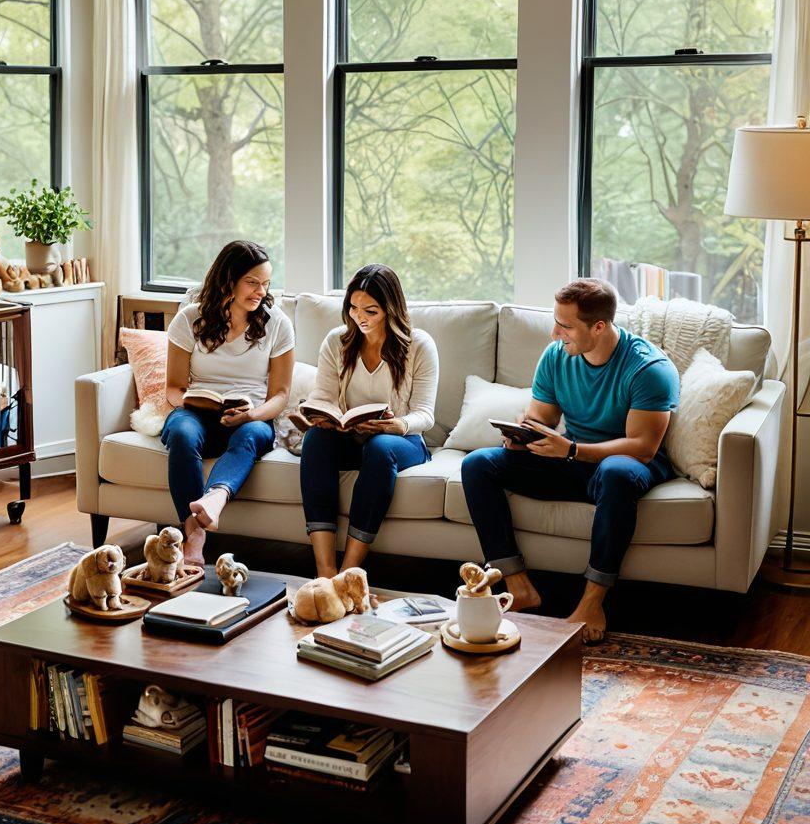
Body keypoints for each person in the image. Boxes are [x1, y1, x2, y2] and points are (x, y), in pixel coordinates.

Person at [459, 278, 679, 643]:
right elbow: (542, 417)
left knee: (615, 473)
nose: (554, 333)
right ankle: (519, 587)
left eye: (565, 326)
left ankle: (592, 603)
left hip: (626, 464)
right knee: (478, 464)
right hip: (570, 459)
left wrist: (573, 450)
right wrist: (524, 435)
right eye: (555, 322)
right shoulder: (556, 356)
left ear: (599, 327)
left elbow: (643, 447)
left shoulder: (648, 368)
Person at [299, 264, 438, 577]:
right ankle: (325, 571)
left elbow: (425, 414)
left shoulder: (419, 345)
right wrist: (322, 415)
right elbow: (323, 396)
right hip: (351, 437)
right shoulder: (337, 341)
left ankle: (348, 574)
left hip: (402, 441)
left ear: (390, 309)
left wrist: (398, 424)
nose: (359, 317)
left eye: (370, 311)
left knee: (380, 447)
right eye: (353, 308)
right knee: (316, 440)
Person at [163, 240, 295, 563]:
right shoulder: (189, 319)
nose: (261, 292)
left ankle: (215, 498)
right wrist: (193, 401)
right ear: (228, 281)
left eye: (266, 283)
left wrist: (252, 415)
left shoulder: (277, 323)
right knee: (181, 433)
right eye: (252, 282)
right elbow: (173, 388)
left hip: (250, 416)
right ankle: (194, 534)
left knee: (252, 435)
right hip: (196, 413)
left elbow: (280, 394)